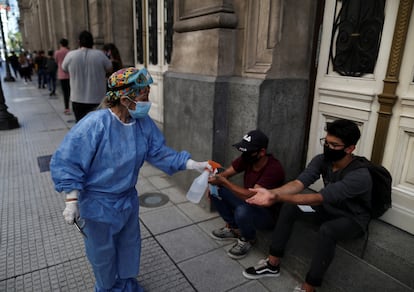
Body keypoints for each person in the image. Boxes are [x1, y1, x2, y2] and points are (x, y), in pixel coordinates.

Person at [50, 67, 212, 292]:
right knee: (102, 252)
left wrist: (194, 164)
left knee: (129, 245)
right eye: (144, 94)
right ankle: (107, 287)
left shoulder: (142, 124)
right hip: (98, 205)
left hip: (127, 200)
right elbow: (69, 159)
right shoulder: (94, 124)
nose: (148, 99)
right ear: (125, 99)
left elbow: (159, 152)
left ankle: (126, 282)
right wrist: (71, 200)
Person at [243, 119, 372, 292]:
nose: (328, 147)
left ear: (350, 149)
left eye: (334, 145)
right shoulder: (322, 160)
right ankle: (272, 264)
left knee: (328, 230)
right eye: (326, 142)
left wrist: (276, 198)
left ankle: (309, 287)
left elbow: (319, 198)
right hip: (328, 208)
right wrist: (274, 193)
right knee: (290, 208)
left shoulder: (360, 175)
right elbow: (299, 183)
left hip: (352, 218)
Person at [208, 130, 285, 259]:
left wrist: (224, 182)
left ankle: (248, 239)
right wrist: (213, 179)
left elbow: (250, 195)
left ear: (261, 152)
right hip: (248, 202)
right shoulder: (248, 158)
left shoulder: (274, 169)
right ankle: (234, 228)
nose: (244, 154)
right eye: (243, 151)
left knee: (242, 210)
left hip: (266, 214)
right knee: (215, 190)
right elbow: (225, 174)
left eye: (248, 151)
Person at [62, 30, 112, 122]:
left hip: (77, 98)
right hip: (97, 98)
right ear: (92, 42)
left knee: (81, 126)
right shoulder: (100, 55)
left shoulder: (71, 55)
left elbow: (64, 68)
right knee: (98, 125)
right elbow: (109, 68)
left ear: (79, 42)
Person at [54, 38, 71, 114]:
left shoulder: (57, 52)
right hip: (70, 74)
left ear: (60, 44)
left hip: (61, 74)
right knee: (71, 91)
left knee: (65, 92)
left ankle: (66, 108)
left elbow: (56, 61)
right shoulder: (69, 52)